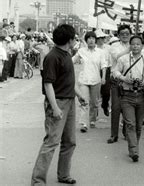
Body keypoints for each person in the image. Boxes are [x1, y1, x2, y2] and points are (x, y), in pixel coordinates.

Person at [31, 24, 87, 185]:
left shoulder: (67, 54)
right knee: (51, 142)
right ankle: (37, 180)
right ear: (69, 40)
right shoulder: (52, 57)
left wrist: (79, 95)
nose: (75, 40)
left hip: (69, 101)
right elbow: (48, 84)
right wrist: (55, 108)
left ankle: (63, 174)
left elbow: (69, 80)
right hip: (58, 102)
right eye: (74, 37)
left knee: (69, 141)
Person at [112, 35, 144, 162]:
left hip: (141, 95)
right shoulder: (123, 59)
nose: (135, 46)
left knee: (138, 126)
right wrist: (125, 78)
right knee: (130, 123)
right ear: (130, 46)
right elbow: (115, 72)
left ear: (142, 46)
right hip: (126, 95)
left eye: (138, 44)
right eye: (133, 44)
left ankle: (134, 146)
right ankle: (134, 151)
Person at [72, 31, 107, 133]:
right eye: (89, 38)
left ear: (96, 40)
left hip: (96, 80)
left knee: (94, 103)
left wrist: (103, 77)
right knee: (84, 101)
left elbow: (103, 66)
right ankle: (84, 123)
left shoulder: (100, 52)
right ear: (86, 40)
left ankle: (92, 119)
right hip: (84, 80)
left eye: (93, 38)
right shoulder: (82, 51)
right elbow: (72, 60)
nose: (91, 40)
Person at [107, 24, 131, 144]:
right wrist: (130, 49)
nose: (125, 36)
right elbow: (117, 57)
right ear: (119, 35)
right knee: (116, 107)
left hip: (129, 80)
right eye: (122, 34)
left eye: (127, 33)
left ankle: (127, 132)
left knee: (128, 107)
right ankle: (114, 134)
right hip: (116, 80)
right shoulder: (114, 46)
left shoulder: (135, 45)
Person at [95, 29, 112, 117]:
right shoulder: (93, 48)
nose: (101, 39)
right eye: (99, 38)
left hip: (107, 70)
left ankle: (105, 105)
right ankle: (95, 110)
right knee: (95, 92)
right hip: (96, 70)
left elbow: (111, 59)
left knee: (106, 91)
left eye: (102, 37)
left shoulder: (108, 48)